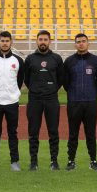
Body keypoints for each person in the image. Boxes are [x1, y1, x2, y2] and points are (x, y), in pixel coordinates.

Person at [24, 30, 65, 171]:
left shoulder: (56, 59)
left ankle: (54, 161)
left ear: (50, 41)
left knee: (53, 131)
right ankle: (33, 162)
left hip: (51, 99)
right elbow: (26, 79)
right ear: (37, 41)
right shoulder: (30, 59)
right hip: (34, 99)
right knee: (33, 132)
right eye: (40, 39)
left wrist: (51, 89)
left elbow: (60, 79)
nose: (43, 42)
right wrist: (36, 88)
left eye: (45, 39)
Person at [0, 31, 25, 172]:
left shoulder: (18, 61)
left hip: (12, 102)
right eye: (2, 40)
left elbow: (19, 81)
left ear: (11, 42)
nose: (5, 43)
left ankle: (14, 161)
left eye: (7, 41)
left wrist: (12, 93)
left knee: (12, 132)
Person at [62, 33, 97, 171]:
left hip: (91, 102)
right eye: (78, 41)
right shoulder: (69, 61)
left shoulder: (96, 60)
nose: (81, 43)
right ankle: (71, 161)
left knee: (90, 133)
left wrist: (91, 93)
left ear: (88, 43)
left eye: (83, 41)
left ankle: (93, 160)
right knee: (73, 133)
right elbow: (66, 83)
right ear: (75, 44)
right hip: (74, 102)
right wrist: (74, 94)